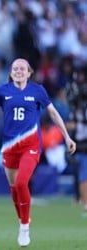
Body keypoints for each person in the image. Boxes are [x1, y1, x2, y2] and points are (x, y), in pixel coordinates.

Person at [0, 58, 76, 247]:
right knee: (13, 187)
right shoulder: (3, 90)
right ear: (11, 73)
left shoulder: (37, 90)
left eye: (22, 68)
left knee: (21, 182)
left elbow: (53, 113)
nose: (19, 71)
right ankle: (22, 218)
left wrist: (66, 136)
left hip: (31, 145)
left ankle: (24, 226)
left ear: (29, 72)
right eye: (15, 68)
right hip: (9, 147)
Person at [66, 66, 87, 214]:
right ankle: (84, 203)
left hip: (81, 141)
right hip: (81, 143)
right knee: (82, 174)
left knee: (82, 174)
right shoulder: (77, 110)